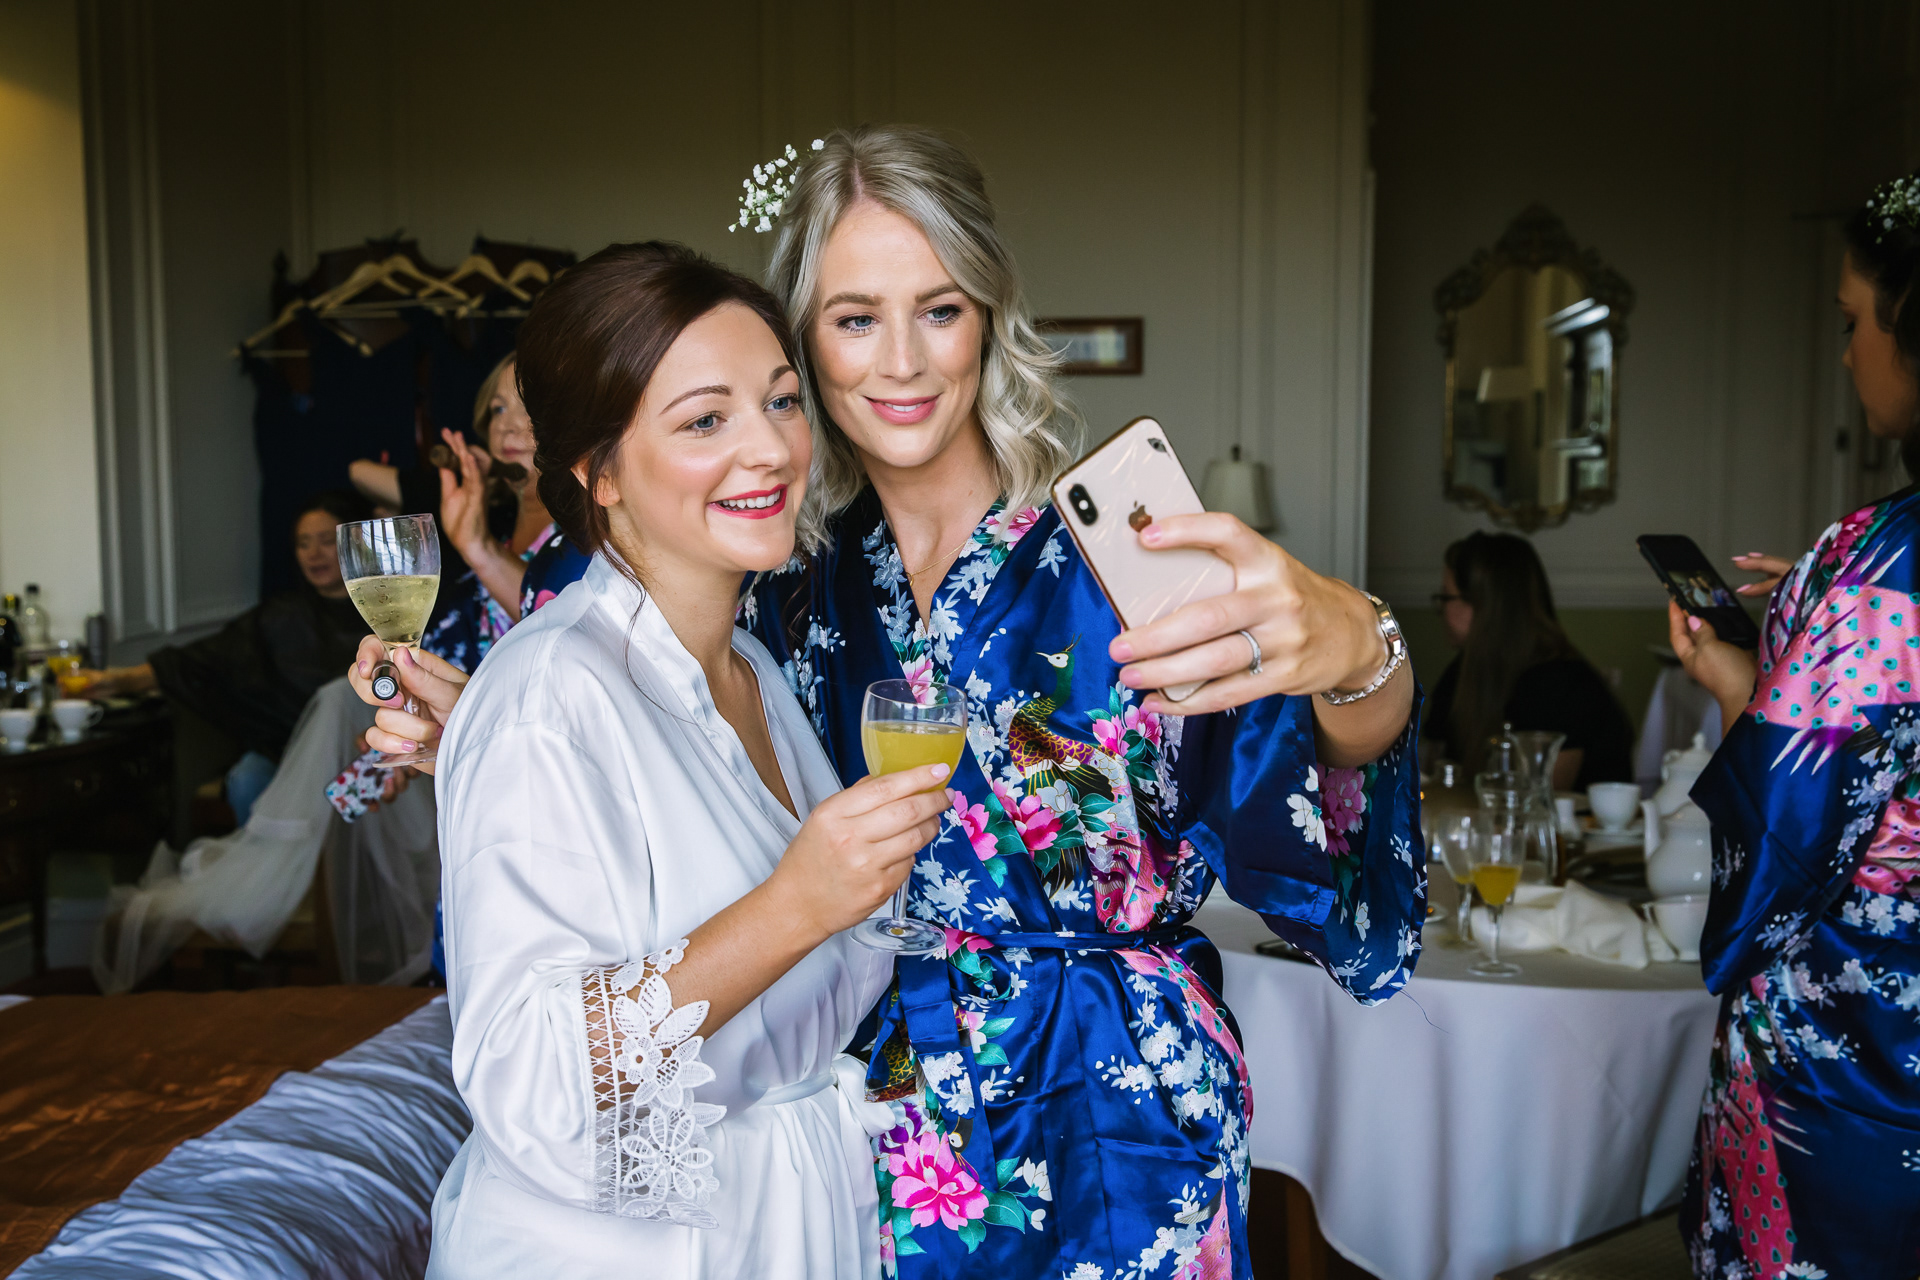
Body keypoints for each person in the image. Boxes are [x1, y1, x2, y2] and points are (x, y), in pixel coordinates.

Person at [354, 127, 1424, 1279]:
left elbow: (1304, 801)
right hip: (869, 1129)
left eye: (942, 308)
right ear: (804, 339)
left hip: (1108, 1114)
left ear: (990, 320)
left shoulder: (1131, 560)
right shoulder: (777, 582)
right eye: (856, 317)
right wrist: (490, 737)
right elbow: (652, 726)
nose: (902, 360)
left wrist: (1363, 656)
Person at [423, 242, 953, 1279]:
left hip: (788, 1220)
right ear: (597, 468)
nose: (769, 449)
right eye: (706, 419)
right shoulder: (544, 696)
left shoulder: (752, 665)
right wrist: (796, 902)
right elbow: (526, 1079)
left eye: (783, 401)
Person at [1671, 172, 1920, 1279]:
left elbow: (1772, 869)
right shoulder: (1865, 588)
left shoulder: (1883, 567)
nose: (1845, 349)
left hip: (1863, 1082)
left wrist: (1741, 686)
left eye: (1852, 319)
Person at [76, 490, 374, 823]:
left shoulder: (385, 611)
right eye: (303, 543)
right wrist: (119, 681)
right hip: (287, 750)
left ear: (355, 542)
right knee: (247, 779)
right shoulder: (281, 616)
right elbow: (201, 659)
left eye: (325, 541)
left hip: (367, 752)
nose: (313, 554)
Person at [419, 352, 591, 673]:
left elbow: (577, 638)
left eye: (529, 408)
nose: (507, 427)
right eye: (499, 409)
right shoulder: (497, 524)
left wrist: (479, 548)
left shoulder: (594, 533)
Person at [1424, 530, 1634, 791]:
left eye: (1446, 597)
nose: (1441, 609)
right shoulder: (1460, 672)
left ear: (1484, 605)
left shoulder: (1562, 684)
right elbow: (1433, 769)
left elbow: (1540, 799)